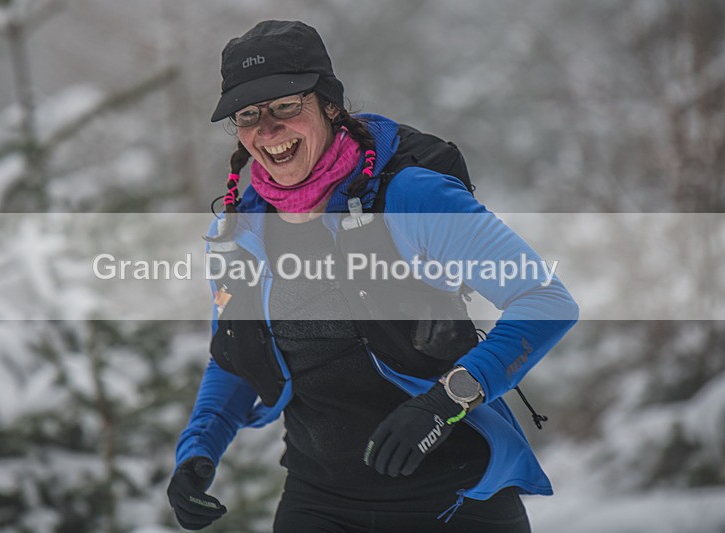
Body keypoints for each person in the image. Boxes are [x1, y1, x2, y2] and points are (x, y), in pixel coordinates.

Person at [167, 20, 578, 533]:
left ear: (329, 105)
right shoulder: (239, 231)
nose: (267, 129)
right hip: (318, 502)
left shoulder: (409, 197)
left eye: (285, 106)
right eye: (248, 114)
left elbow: (544, 300)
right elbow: (234, 352)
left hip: (452, 500)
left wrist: (444, 402)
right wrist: (197, 452)